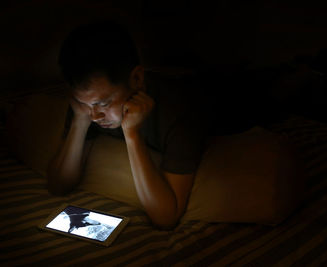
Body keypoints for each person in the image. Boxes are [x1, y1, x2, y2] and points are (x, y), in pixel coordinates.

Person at [47, 20, 300, 229]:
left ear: (136, 78)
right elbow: (58, 185)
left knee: (271, 94)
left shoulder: (181, 113)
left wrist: (132, 134)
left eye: (103, 103)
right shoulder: (86, 106)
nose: (95, 115)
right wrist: (79, 122)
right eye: (85, 104)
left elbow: (166, 217)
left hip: (233, 105)